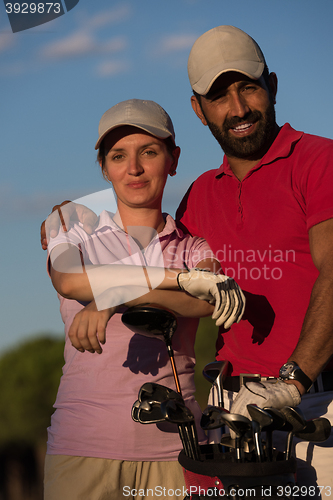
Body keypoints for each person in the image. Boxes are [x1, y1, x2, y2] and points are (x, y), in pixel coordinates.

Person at [43, 98, 245, 500]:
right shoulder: (73, 229)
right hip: (82, 449)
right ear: (104, 168)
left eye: (149, 153)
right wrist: (170, 284)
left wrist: (111, 295)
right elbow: (67, 280)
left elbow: (209, 301)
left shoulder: (193, 246)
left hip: (177, 453)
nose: (133, 168)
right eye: (118, 156)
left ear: (173, 159)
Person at [175, 25, 333, 494]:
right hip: (232, 409)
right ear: (198, 111)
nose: (239, 108)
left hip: (316, 400)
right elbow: (156, 273)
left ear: (273, 86)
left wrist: (292, 381)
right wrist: (75, 228)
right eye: (219, 96)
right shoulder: (199, 195)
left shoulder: (318, 159)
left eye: (249, 87)